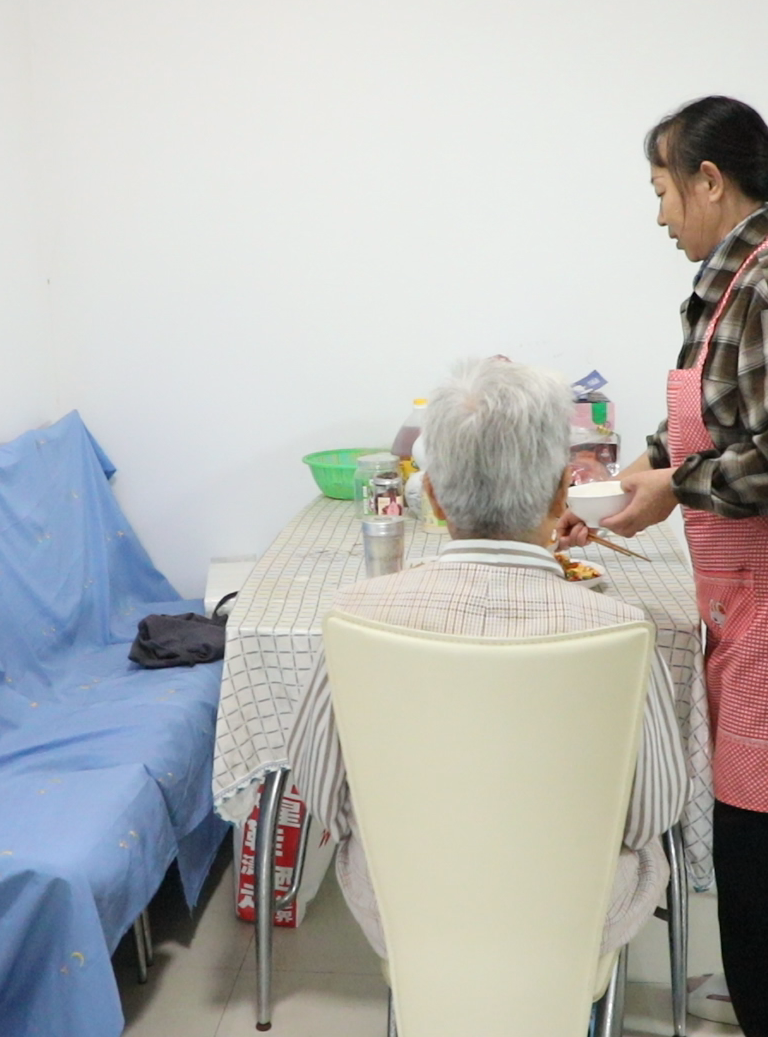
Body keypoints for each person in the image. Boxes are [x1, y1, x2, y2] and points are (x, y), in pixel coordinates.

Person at [560, 96, 768, 1037]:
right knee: (751, 830)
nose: (660, 215)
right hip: (760, 594)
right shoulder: (733, 284)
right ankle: (759, 995)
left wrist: (677, 486)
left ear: (710, 182)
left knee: (766, 842)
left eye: (663, 191)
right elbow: (713, 422)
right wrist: (639, 477)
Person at [287, 357, 688, 960]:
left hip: (404, 911)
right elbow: (651, 811)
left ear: (432, 496)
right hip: (575, 917)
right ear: (562, 493)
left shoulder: (354, 615)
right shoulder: (623, 629)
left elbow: (322, 793)